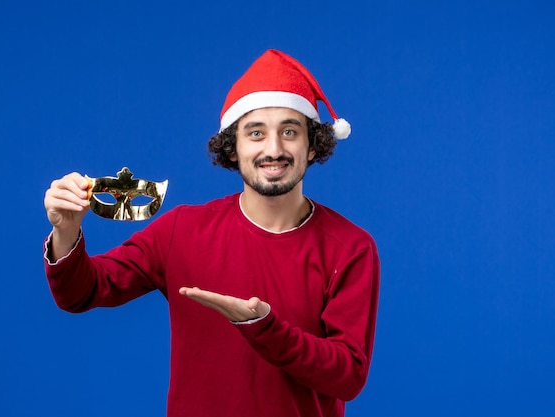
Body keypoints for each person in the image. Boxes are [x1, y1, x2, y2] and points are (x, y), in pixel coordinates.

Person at [43, 49, 380, 417]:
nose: (274, 149)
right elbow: (81, 293)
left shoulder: (351, 248)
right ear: (232, 148)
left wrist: (262, 327)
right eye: (255, 133)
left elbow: (348, 377)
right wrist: (67, 231)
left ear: (312, 145)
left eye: (289, 131)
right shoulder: (181, 231)